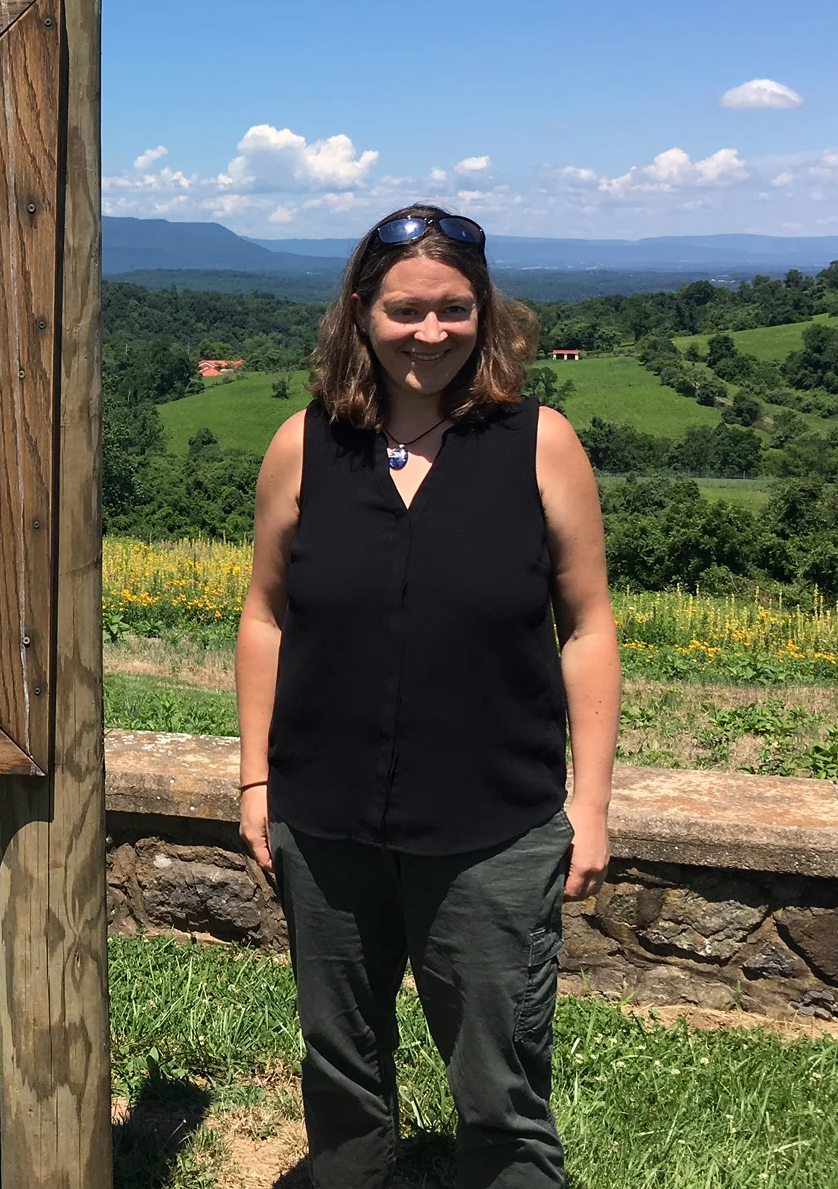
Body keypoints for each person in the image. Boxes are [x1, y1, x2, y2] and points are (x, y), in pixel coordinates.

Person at [236, 204, 619, 1188]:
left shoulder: (540, 444)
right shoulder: (304, 446)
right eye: (405, 310)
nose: (430, 332)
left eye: (454, 308)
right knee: (340, 1068)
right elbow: (265, 615)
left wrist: (590, 806)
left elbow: (588, 628)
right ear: (362, 313)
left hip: (494, 827)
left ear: (486, 314)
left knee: (500, 1086)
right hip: (324, 819)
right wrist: (254, 782)